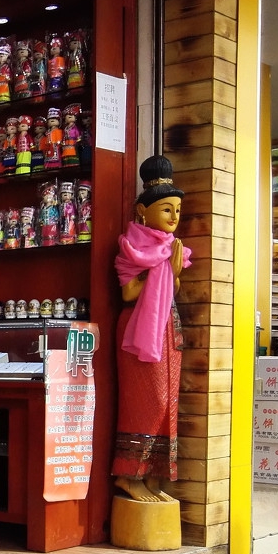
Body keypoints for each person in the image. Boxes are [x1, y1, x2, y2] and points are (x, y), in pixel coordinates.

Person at [112, 154, 191, 503]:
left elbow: (170, 292)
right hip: (138, 331)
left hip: (165, 328)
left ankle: (153, 477)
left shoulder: (172, 249)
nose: (174, 217)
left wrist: (170, 272)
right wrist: (160, 269)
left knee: (167, 402)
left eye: (177, 210)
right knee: (147, 402)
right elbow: (129, 291)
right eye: (166, 209)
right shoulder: (133, 245)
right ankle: (129, 476)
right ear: (143, 211)